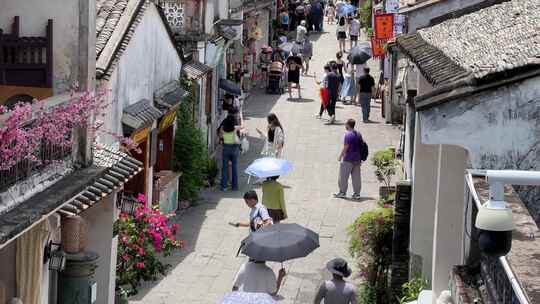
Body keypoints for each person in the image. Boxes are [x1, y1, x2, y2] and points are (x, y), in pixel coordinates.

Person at [334, 119, 363, 199]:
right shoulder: (358, 134)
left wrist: (340, 156)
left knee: (343, 177)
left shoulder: (348, 135)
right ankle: (357, 194)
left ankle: (342, 192)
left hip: (348, 159)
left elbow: (346, 147)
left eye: (346, 124)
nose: (345, 126)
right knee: (356, 178)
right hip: (357, 159)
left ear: (348, 125)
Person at [219, 114, 243, 191]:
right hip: (234, 148)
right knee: (234, 167)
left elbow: (220, 137)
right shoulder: (234, 128)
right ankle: (234, 187)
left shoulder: (223, 128)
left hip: (226, 148)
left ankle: (224, 187)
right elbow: (242, 127)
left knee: (225, 168)